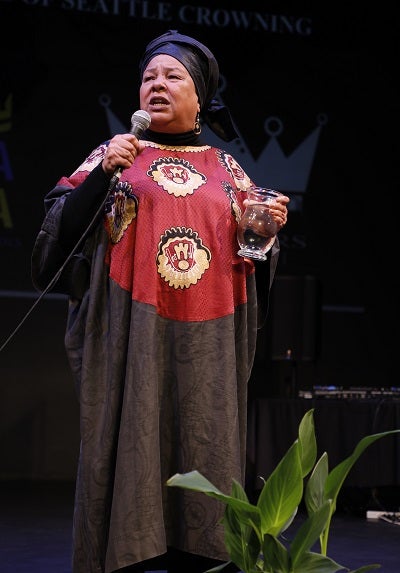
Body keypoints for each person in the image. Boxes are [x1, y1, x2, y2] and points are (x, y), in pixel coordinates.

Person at [31, 30, 289, 573]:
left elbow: (253, 262)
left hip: (208, 344)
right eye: (149, 76)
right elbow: (56, 240)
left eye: (173, 76)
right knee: (131, 455)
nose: (157, 85)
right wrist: (101, 176)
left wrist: (267, 229)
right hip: (132, 337)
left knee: (205, 464)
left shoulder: (229, 172)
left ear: (200, 97)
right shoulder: (116, 154)